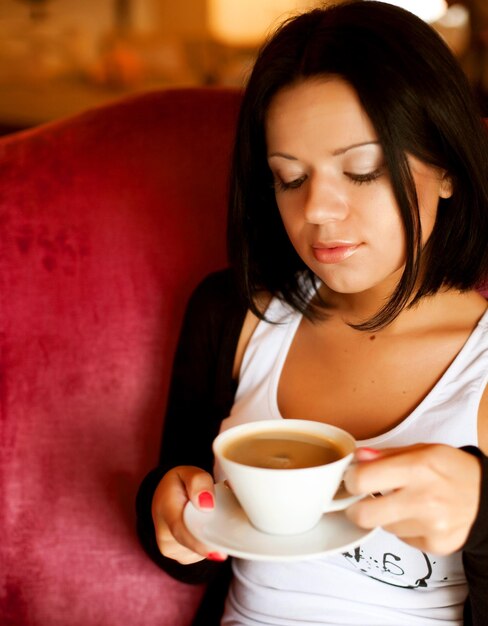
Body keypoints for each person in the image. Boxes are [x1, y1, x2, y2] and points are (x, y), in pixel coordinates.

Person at [136, 1, 488, 624]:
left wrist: (483, 513)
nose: (319, 211)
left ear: (447, 170)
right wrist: (167, 509)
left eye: (363, 170)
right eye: (290, 179)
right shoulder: (234, 316)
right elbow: (182, 522)